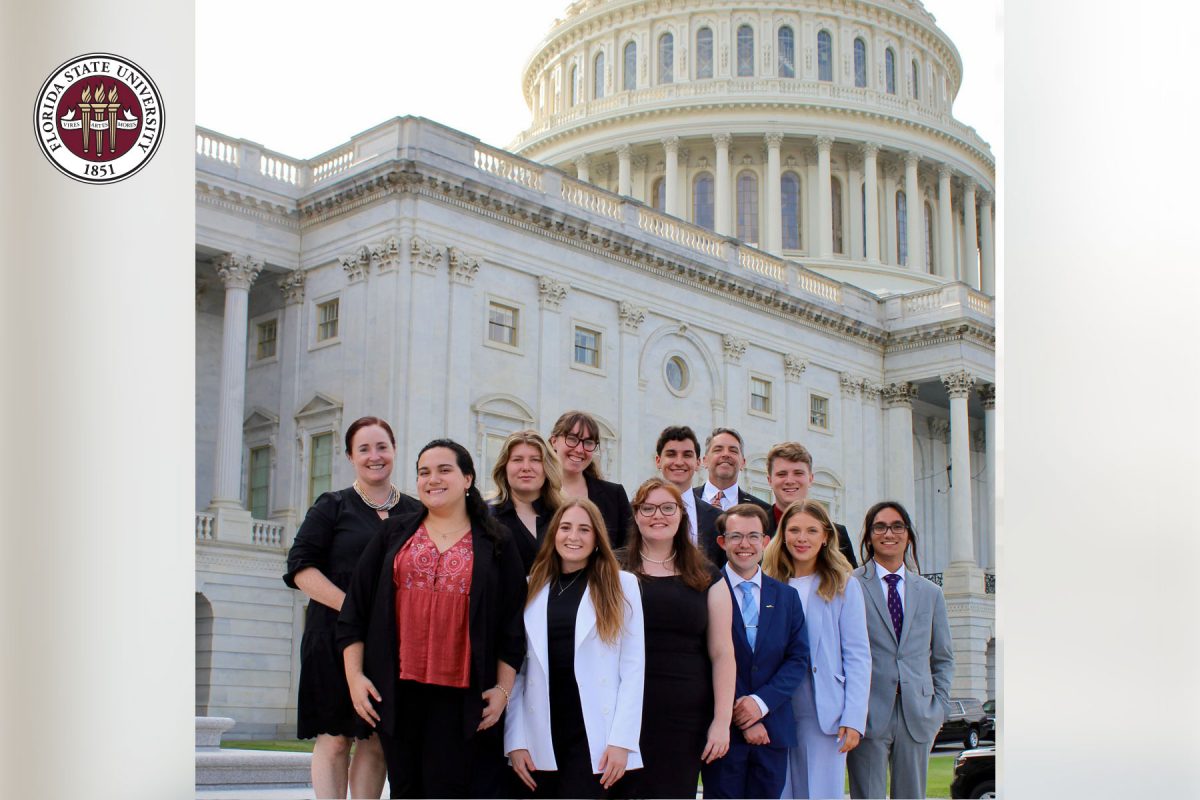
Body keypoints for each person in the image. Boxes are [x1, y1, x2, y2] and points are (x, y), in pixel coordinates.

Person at [337, 439, 527, 799]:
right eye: (424, 472)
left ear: (468, 478)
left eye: (444, 470)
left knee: (449, 789)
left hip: (462, 697)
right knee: (405, 789)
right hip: (396, 691)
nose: (432, 479)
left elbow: (512, 626)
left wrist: (502, 691)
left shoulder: (497, 542)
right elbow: (355, 611)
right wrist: (355, 677)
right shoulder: (393, 534)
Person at [283, 416, 421, 799]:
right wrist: (355, 607)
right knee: (336, 738)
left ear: (394, 450)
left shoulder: (415, 512)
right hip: (331, 638)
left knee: (375, 739)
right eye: (364, 449)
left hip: (389, 646)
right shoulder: (332, 506)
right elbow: (299, 568)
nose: (375, 456)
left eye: (382, 447)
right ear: (350, 456)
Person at [505, 498, 645, 798]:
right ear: (553, 533)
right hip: (541, 729)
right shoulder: (531, 586)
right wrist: (514, 740)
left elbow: (634, 669)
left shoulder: (622, 585)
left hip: (596, 731)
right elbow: (517, 669)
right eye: (566, 527)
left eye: (584, 529)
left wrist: (622, 741)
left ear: (597, 539)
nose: (573, 536)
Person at [617, 477, 735, 799]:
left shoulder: (707, 575)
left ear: (681, 515)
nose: (658, 515)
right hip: (621, 713)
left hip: (684, 719)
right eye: (648, 508)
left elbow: (723, 653)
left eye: (668, 507)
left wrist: (721, 722)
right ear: (636, 515)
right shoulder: (613, 569)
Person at [762, 499, 871, 800]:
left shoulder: (844, 585)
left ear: (825, 536)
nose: (802, 538)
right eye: (794, 530)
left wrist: (853, 718)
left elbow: (858, 655)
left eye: (811, 530)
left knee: (821, 792)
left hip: (824, 710)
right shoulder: (768, 582)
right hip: (776, 705)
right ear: (782, 535)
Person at [846, 501, 954, 800]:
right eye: (879, 526)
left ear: (907, 535)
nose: (888, 533)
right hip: (868, 711)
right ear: (868, 536)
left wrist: (939, 708)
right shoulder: (851, 585)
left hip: (917, 714)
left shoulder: (930, 593)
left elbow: (943, 657)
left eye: (897, 526)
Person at [700, 504, 809, 800]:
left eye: (753, 536)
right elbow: (703, 658)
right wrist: (741, 714)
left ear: (766, 541)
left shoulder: (787, 597)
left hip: (772, 731)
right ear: (722, 542)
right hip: (723, 733)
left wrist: (760, 705)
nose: (744, 545)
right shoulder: (704, 591)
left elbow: (797, 660)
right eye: (736, 537)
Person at [548, 411, 635, 550]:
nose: (579, 449)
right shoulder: (536, 493)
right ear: (554, 441)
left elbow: (629, 549)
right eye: (572, 439)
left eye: (588, 442)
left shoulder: (614, 495)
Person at [765, 442, 858, 567]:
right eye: (782, 474)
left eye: (798, 473)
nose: (790, 481)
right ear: (769, 480)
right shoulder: (754, 529)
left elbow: (849, 581)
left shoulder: (836, 534)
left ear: (810, 479)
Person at [488, 430, 565, 573]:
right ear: (504, 467)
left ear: (547, 467)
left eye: (535, 460)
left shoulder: (564, 515)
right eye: (517, 459)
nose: (526, 467)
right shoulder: (486, 517)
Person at [695, 428, 771, 569]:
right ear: (704, 461)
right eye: (718, 450)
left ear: (742, 463)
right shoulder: (684, 502)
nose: (726, 454)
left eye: (733, 451)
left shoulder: (764, 511)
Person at [654, 425, 722, 566]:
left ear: (698, 463)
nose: (679, 462)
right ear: (658, 461)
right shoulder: (637, 511)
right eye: (671, 454)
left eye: (687, 455)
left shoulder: (717, 518)